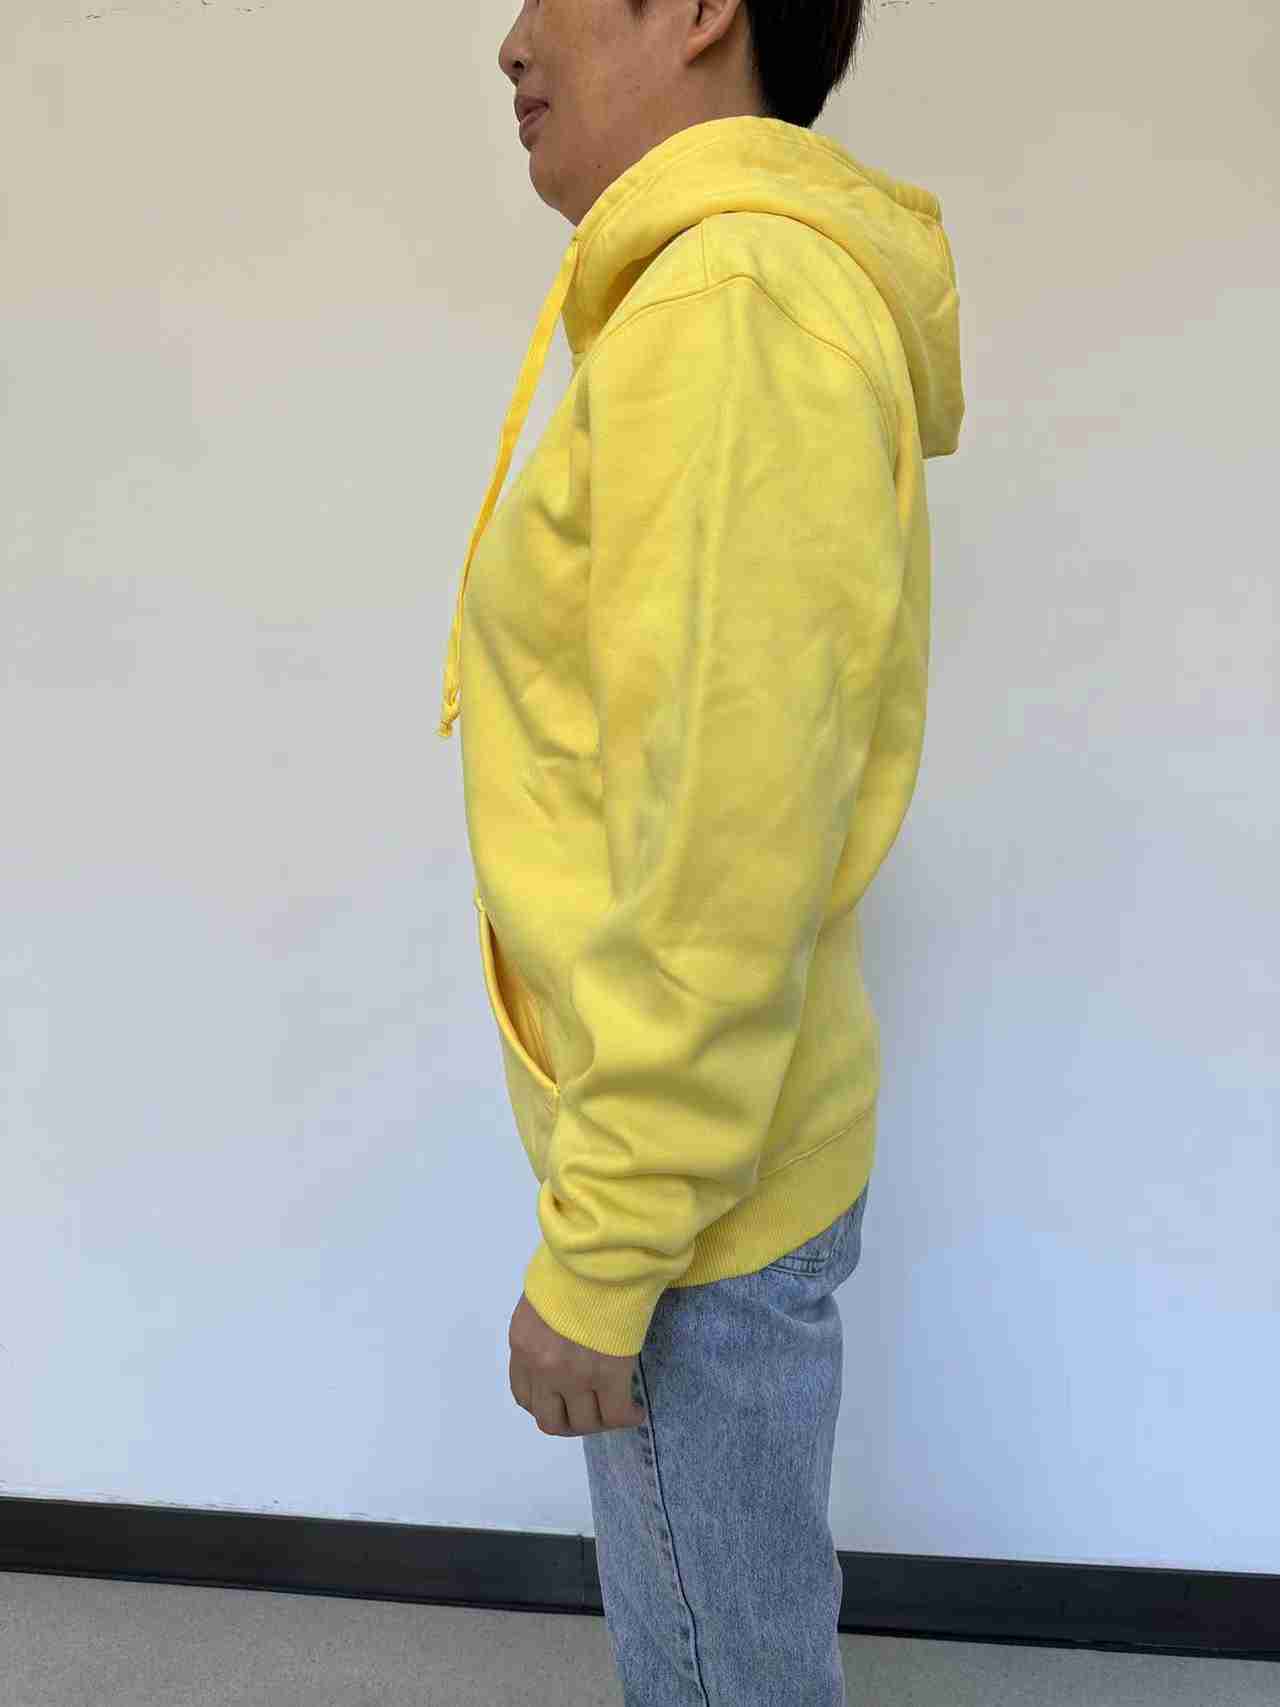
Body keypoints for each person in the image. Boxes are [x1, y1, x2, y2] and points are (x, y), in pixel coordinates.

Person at [439, 3, 965, 1700]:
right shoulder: (722, 291)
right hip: (704, 1160)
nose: (510, 40)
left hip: (689, 1210)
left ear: (699, 10)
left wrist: (608, 1250)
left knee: (725, 1678)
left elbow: (728, 846)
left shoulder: (730, 301)